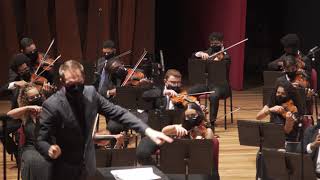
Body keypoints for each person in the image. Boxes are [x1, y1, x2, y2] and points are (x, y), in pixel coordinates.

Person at [36, 60, 172, 180]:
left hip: (88, 166)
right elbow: (41, 140)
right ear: (62, 82)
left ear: (84, 78)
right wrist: (49, 149)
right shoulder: (52, 105)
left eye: (79, 83)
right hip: (63, 170)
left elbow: (118, 112)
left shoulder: (90, 93)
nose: (77, 88)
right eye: (71, 84)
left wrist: (147, 130)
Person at [7, 84, 51, 180]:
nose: (36, 98)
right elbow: (9, 114)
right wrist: (27, 108)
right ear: (26, 100)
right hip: (29, 147)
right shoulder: (25, 114)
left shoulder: (46, 108)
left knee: (50, 160)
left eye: (37, 95)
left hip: (46, 145)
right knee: (33, 160)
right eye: (32, 97)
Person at [190, 32, 231, 130]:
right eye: (212, 44)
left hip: (222, 86)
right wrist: (199, 54)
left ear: (222, 43)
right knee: (191, 92)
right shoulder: (208, 51)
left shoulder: (225, 55)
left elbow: (226, 62)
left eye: (216, 44)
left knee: (214, 95)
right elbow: (193, 56)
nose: (213, 46)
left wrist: (218, 62)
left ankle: (211, 122)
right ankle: (198, 117)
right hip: (208, 84)